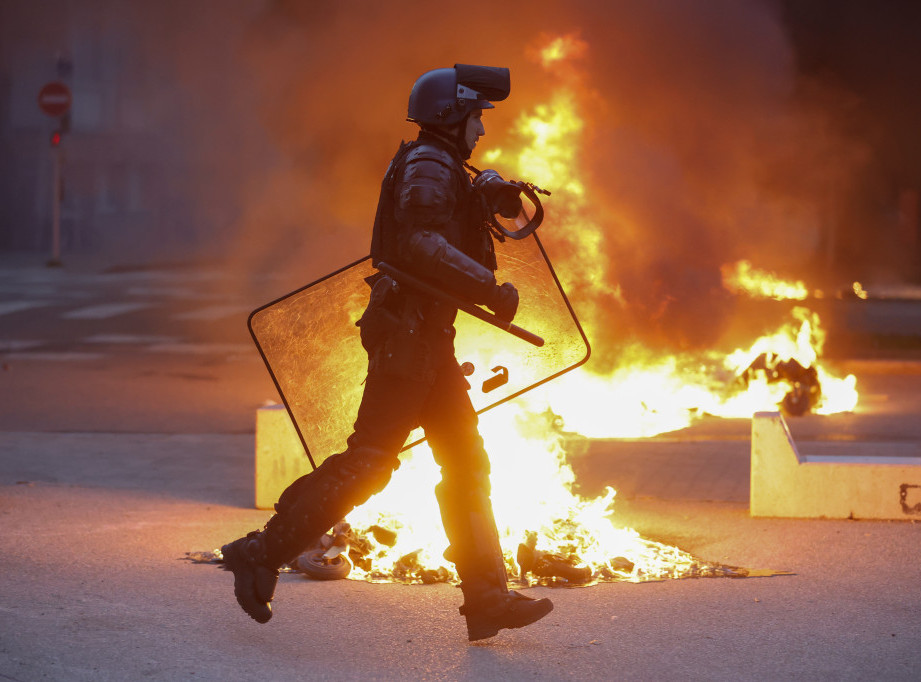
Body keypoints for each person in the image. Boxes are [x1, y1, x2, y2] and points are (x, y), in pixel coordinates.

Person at [220, 64, 553, 642]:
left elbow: (455, 197)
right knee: (372, 461)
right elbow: (419, 241)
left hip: (430, 341)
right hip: (408, 340)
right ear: (452, 118)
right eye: (476, 118)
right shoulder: (428, 162)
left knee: (467, 463)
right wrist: (487, 287)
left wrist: (490, 188)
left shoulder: (444, 163)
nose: (481, 131)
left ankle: (486, 599)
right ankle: (261, 553)